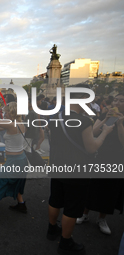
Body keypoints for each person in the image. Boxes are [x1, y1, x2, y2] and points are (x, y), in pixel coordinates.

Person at [47, 84, 114, 255]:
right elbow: (91, 147)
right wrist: (105, 133)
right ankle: (65, 242)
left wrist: (103, 121)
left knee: (55, 200)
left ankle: (52, 229)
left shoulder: (56, 115)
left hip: (58, 166)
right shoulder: (83, 120)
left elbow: (81, 134)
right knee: (72, 208)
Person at [76, 92, 124, 235]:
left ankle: (102, 219)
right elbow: (93, 132)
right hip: (100, 157)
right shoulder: (105, 115)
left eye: (121, 101)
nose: (116, 103)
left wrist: (120, 124)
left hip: (117, 159)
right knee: (92, 186)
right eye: (115, 100)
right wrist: (106, 120)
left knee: (110, 190)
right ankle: (84, 214)